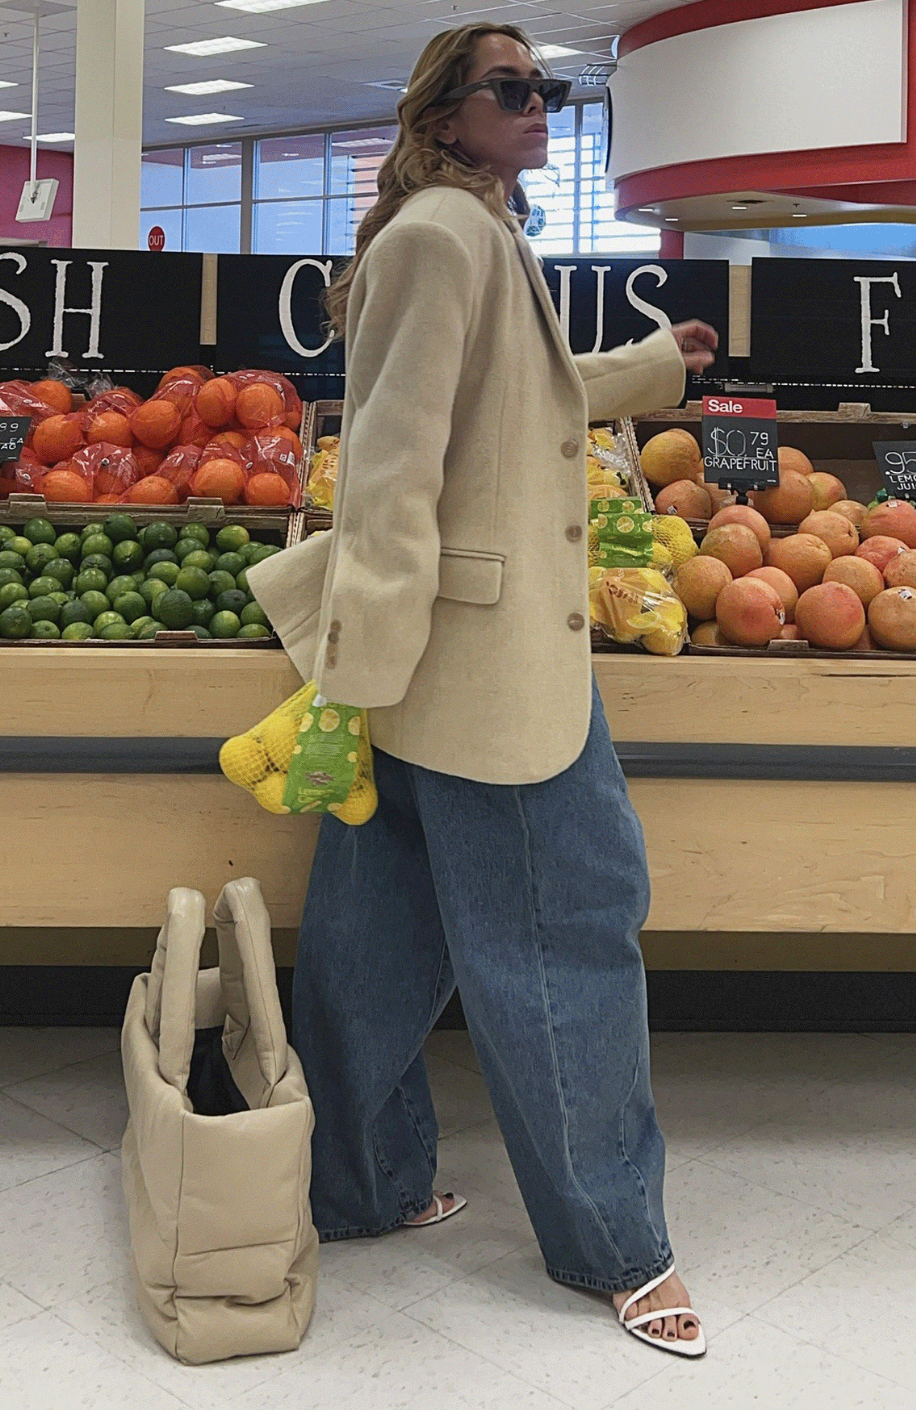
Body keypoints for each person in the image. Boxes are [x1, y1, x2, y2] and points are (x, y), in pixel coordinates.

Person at [249, 21, 717, 1360]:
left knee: (380, 934)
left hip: (433, 655)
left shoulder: (470, 228)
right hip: (482, 657)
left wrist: (653, 368)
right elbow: (389, 471)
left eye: (546, 87)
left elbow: (521, 398)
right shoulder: (445, 237)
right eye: (510, 88)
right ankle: (615, 1243)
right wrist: (354, 681)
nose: (538, 105)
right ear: (443, 114)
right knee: (570, 934)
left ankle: (361, 1185)